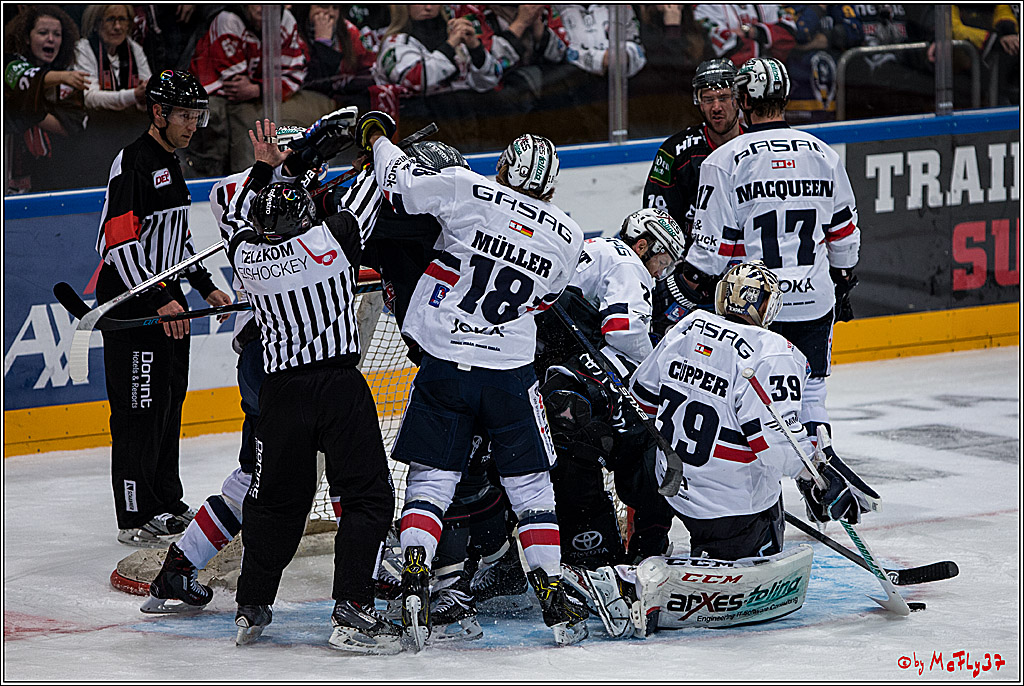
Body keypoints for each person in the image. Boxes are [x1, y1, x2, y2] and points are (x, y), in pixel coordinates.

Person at [361, 112, 591, 648]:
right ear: (551, 184)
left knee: (433, 476)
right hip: (509, 372)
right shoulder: (569, 236)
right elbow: (548, 298)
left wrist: (378, 139)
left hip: (442, 360)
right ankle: (551, 587)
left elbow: (400, 186)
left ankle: (417, 567)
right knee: (531, 485)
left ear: (506, 169)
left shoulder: (471, 189)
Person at [562, 261, 870, 637]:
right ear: (769, 307)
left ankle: (647, 548)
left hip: (667, 485)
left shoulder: (687, 326)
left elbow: (641, 397)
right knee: (761, 548)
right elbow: (777, 449)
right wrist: (817, 478)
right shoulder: (773, 353)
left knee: (650, 458)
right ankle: (652, 576)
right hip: (731, 508)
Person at [140, 111, 358, 615]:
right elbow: (246, 202)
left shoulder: (303, 192)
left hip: (289, 357)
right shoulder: (235, 190)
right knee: (321, 470)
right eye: (282, 150)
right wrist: (283, 167)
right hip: (275, 356)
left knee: (256, 474)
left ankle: (180, 567)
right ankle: (366, 574)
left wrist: (306, 165)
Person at [221, 121, 399, 653]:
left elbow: (236, 215)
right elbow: (371, 187)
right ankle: (351, 605)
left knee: (276, 504)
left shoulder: (245, 254)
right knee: (367, 498)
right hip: (338, 389)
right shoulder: (334, 239)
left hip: (280, 396)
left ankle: (252, 604)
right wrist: (376, 143)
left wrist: (265, 166)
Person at [682, 57, 861, 442]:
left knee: (746, 398)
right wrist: (842, 279)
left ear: (743, 97)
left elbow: (714, 251)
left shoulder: (724, 160)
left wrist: (687, 282)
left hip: (752, 306)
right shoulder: (824, 154)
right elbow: (844, 234)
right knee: (811, 392)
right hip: (813, 298)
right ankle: (821, 463)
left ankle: (764, 493)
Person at [94, 70, 232, 547]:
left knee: (168, 405)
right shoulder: (133, 162)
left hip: (164, 304)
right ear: (158, 113)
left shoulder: (172, 161)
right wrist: (159, 299)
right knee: (137, 411)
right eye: (185, 115)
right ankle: (134, 513)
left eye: (197, 115)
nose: (193, 124)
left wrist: (205, 284)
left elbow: (178, 240)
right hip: (134, 308)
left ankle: (165, 500)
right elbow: (120, 243)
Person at [644, 58, 743, 341]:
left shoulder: (760, 150)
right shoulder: (675, 151)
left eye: (724, 97)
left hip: (746, 281)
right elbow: (656, 223)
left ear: (738, 99)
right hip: (691, 282)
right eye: (707, 98)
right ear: (697, 102)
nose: (716, 107)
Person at [186, 5, 334, 176]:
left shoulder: (285, 20)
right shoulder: (229, 20)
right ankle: (236, 179)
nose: (261, 7)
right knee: (233, 118)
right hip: (216, 92)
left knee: (317, 107)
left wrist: (258, 88)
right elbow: (236, 86)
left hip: (259, 93)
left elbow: (294, 74)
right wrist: (267, 86)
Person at [3, 5, 89, 193]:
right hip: (10, 164)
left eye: (57, 34)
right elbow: (23, 79)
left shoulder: (67, 72)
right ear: (26, 37)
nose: (51, 39)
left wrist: (28, 109)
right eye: (43, 32)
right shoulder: (9, 61)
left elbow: (72, 126)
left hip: (50, 172)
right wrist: (60, 78)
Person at [372, 4, 502, 97]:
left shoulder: (454, 33)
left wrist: (474, 46)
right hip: (418, 121)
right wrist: (449, 46)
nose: (428, 7)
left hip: (462, 119)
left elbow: (489, 81)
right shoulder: (395, 43)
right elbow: (417, 81)